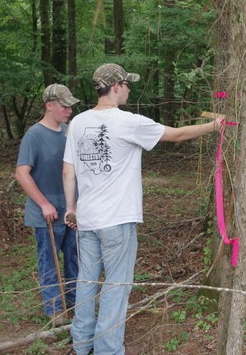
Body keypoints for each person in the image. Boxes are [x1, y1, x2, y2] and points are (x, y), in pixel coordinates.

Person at [62, 63, 221, 355]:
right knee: (116, 286)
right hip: (117, 220)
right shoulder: (127, 121)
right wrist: (214, 126)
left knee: (86, 281)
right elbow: (177, 135)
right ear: (116, 87)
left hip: (87, 219)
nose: (130, 89)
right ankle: (108, 349)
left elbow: (67, 171)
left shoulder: (78, 123)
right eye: (127, 84)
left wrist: (71, 208)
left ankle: (81, 344)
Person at [15, 84, 80, 326]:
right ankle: (55, 309)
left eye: (71, 106)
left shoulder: (67, 132)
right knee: (49, 260)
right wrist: (44, 204)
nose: (69, 110)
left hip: (70, 208)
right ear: (49, 106)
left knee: (74, 256)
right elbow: (22, 173)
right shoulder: (34, 135)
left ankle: (75, 301)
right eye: (65, 106)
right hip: (47, 212)